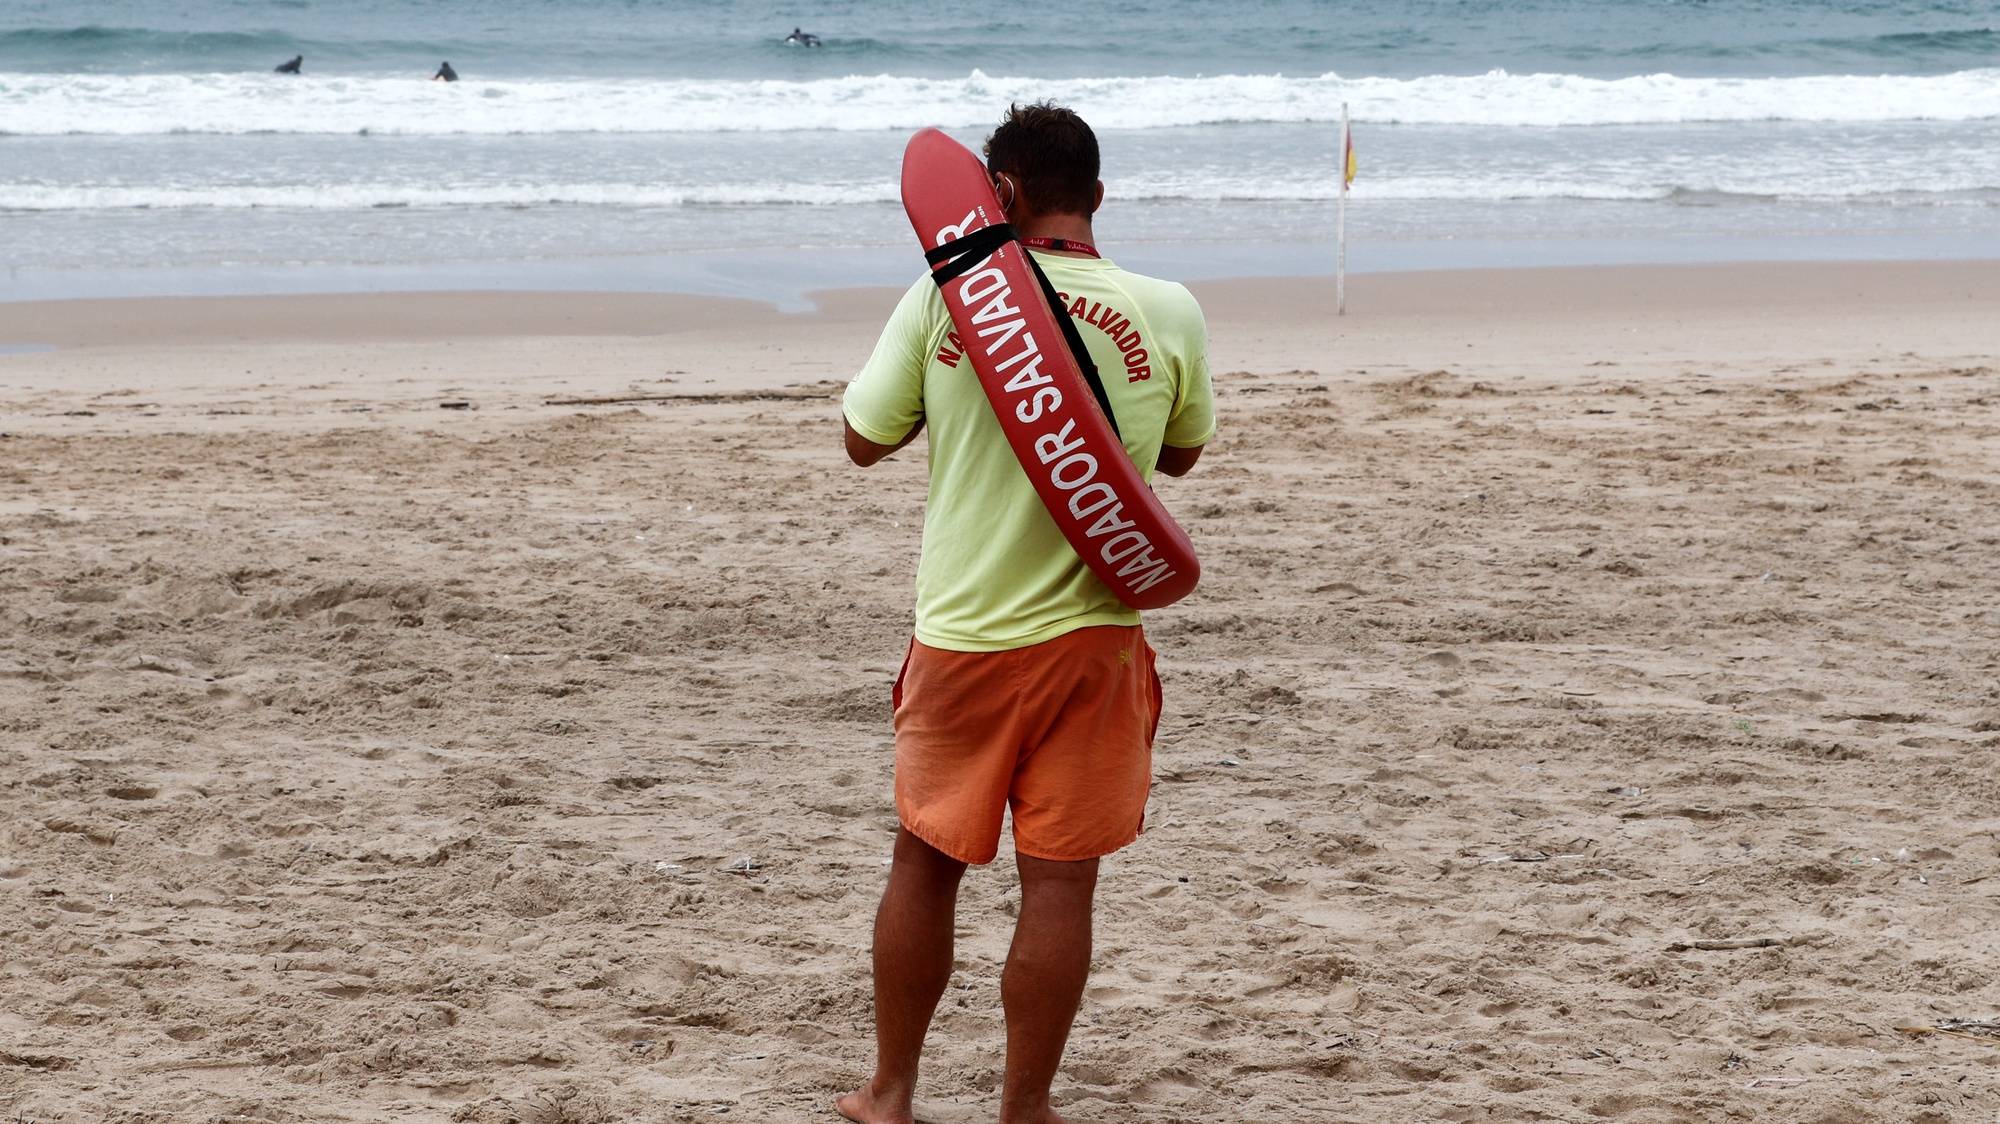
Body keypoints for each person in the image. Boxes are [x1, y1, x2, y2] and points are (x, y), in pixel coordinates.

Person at [836, 101, 1214, 1124]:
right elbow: (1177, 456)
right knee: (1060, 886)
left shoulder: (943, 298)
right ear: (1095, 197)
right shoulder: (1167, 307)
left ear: (993, 197)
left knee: (922, 863)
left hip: (961, 636)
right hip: (1093, 643)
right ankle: (1024, 1107)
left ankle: (890, 1091)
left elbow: (862, 440)